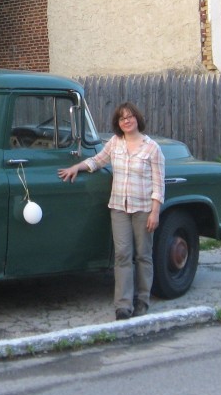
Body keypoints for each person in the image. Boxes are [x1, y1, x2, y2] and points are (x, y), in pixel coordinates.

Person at [58, 101, 164, 320]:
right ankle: (123, 304)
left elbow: (159, 183)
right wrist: (76, 167)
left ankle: (143, 299)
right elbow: (98, 161)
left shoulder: (152, 147)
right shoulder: (115, 143)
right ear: (118, 123)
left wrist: (155, 212)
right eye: (122, 118)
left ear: (137, 119)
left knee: (143, 254)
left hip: (143, 208)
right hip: (118, 207)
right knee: (122, 255)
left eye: (130, 117)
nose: (127, 121)